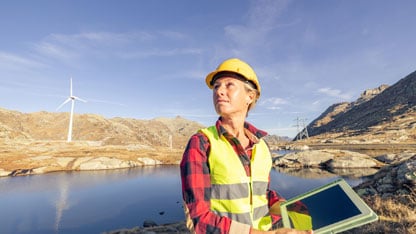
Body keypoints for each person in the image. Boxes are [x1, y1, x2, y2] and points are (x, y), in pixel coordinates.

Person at [180, 58, 313, 234]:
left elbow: (260, 194)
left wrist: (290, 210)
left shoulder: (261, 146)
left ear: (250, 96)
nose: (219, 91)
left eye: (229, 85)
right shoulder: (202, 143)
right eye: (216, 86)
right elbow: (198, 218)